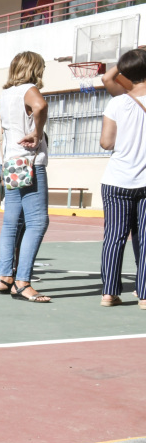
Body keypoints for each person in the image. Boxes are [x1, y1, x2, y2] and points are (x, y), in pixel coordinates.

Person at [0, 51, 51, 303]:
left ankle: (5, 276)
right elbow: (41, 106)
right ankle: (22, 281)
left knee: (11, 222)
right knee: (38, 222)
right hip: (29, 160)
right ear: (34, 68)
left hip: (10, 161)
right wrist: (36, 133)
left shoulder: (5, 95)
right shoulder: (29, 89)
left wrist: (12, 133)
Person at [98, 49, 146, 309]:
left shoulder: (117, 102)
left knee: (114, 237)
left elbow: (106, 143)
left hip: (117, 180)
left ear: (126, 73)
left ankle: (108, 293)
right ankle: (145, 295)